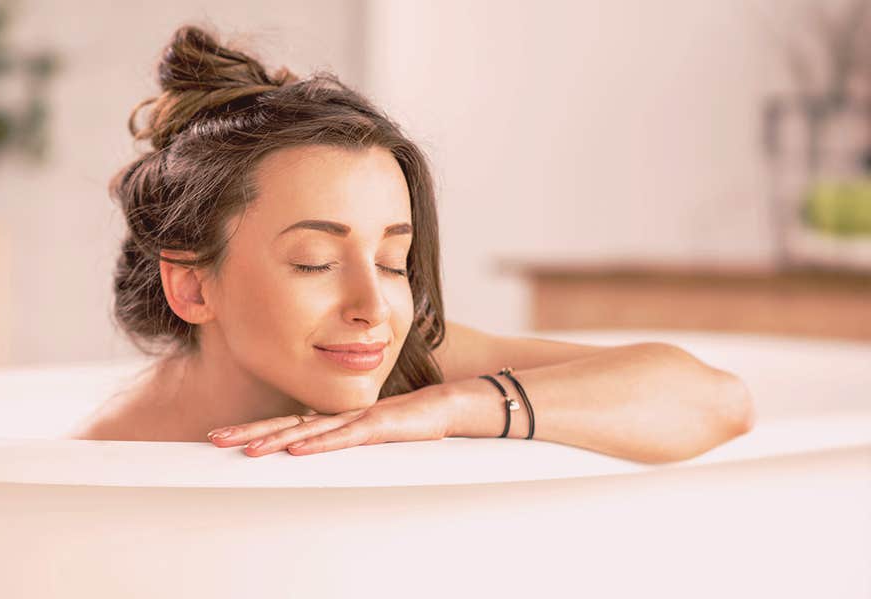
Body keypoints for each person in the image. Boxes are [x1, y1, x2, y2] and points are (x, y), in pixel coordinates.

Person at [66, 24, 755, 464]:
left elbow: (717, 402)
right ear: (191, 285)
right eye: (317, 262)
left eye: (394, 260)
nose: (374, 306)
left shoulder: (409, 367)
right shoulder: (100, 463)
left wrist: (451, 408)